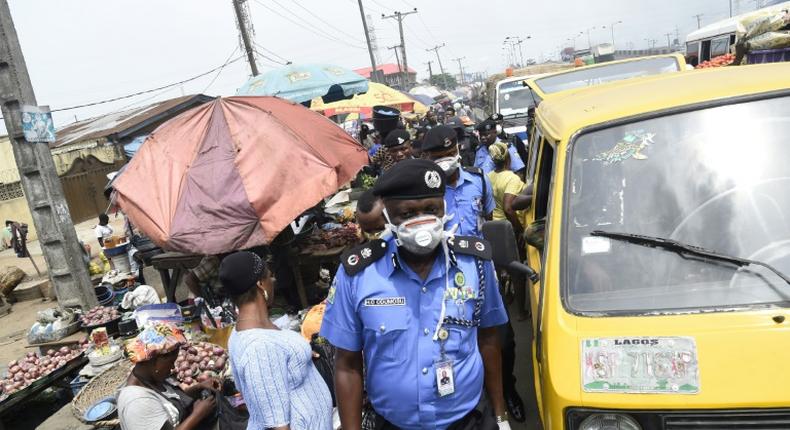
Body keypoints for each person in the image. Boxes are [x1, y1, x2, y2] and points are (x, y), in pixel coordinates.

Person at [321, 159, 511, 430]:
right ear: (387, 216)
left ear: (444, 207)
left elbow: (489, 338)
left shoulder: (475, 263)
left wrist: (501, 417)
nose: (422, 222)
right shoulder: (358, 274)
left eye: (431, 209)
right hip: (394, 423)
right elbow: (347, 364)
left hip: (468, 420)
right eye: (407, 214)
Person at [222, 251, 332, 430]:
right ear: (260, 285)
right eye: (269, 276)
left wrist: (300, 354)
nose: (273, 281)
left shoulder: (248, 332)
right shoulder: (259, 347)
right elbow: (278, 426)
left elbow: (274, 362)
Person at [118, 323, 218, 430]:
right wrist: (197, 415)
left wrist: (199, 387)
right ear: (153, 361)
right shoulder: (137, 403)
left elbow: (169, 405)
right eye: (171, 362)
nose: (172, 367)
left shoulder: (151, 379)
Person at [421, 125, 494, 238]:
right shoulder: (424, 190)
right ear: (428, 157)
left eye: (450, 154)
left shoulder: (479, 179)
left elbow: (489, 219)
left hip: (479, 252)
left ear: (458, 149)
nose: (446, 161)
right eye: (439, 157)